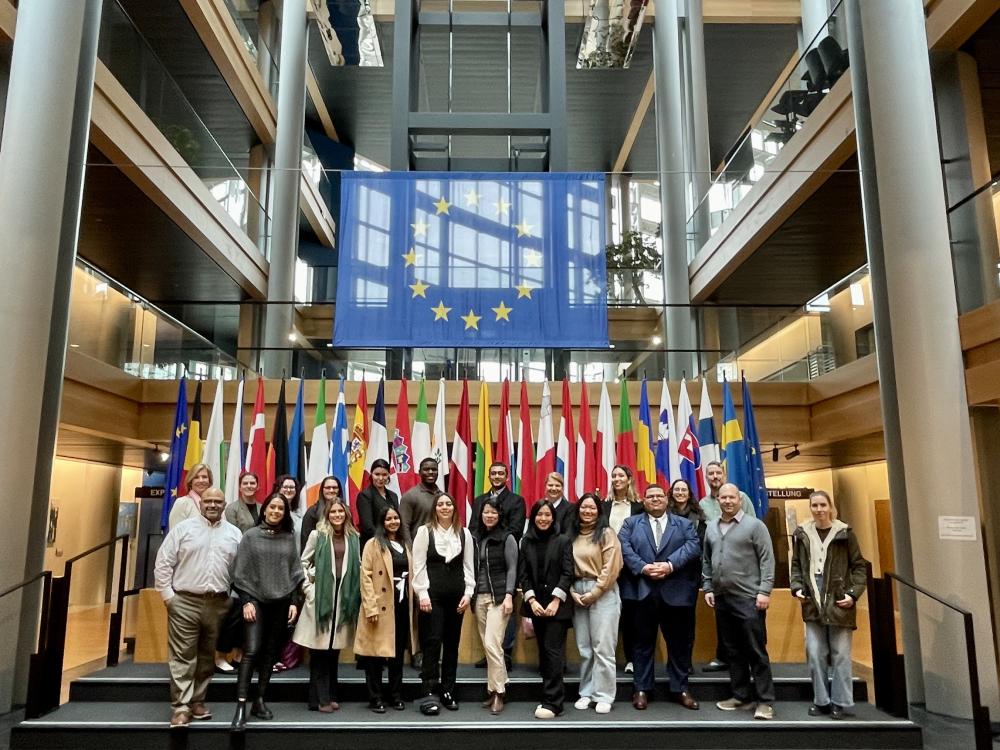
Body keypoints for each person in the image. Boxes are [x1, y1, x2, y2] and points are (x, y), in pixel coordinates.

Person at [154, 487, 241, 728]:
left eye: (217, 501)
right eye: (208, 501)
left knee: (205, 657)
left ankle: (198, 701)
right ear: (201, 503)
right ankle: (181, 707)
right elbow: (163, 563)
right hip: (184, 602)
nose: (212, 505)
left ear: (225, 505)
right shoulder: (183, 530)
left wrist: (232, 598)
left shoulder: (234, 534)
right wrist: (168, 597)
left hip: (219, 604)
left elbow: (239, 571)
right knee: (183, 657)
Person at [619, 484, 701, 711]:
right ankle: (642, 689)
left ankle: (681, 689)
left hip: (676, 592)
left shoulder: (684, 524)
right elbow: (624, 548)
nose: (655, 499)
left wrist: (669, 565)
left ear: (666, 500)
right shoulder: (630, 524)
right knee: (642, 644)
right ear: (643, 501)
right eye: (650, 496)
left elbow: (693, 546)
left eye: (659, 496)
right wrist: (644, 568)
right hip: (641, 591)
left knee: (678, 644)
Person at [790, 490, 867, 719]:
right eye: (815, 505)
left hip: (838, 597)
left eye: (823, 505)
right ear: (810, 508)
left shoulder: (845, 533)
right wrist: (796, 587)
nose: (819, 510)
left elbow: (859, 567)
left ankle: (840, 702)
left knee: (841, 653)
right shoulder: (802, 534)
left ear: (830, 507)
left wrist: (853, 594)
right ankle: (821, 700)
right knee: (815, 652)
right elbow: (796, 565)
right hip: (812, 598)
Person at [230, 493, 304, 731]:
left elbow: (294, 571)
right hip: (256, 601)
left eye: (280, 509)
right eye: (272, 507)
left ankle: (259, 701)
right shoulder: (250, 536)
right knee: (251, 651)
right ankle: (241, 707)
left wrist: (294, 601)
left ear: (285, 513)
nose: (275, 511)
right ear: (265, 510)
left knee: (271, 654)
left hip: (282, 602)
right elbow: (240, 574)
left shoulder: (288, 537)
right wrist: (247, 601)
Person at [702, 483, 776, 720]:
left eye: (732, 497)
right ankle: (741, 696)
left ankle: (765, 701)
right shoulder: (711, 527)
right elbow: (706, 559)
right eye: (723, 498)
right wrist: (708, 587)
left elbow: (767, 560)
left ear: (740, 499)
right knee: (732, 651)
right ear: (718, 501)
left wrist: (764, 591)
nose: (728, 501)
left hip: (749, 598)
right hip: (722, 597)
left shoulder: (755, 526)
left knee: (755, 650)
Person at [293, 498, 361, 712]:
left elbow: (357, 565)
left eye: (340, 511)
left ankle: (326, 696)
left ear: (346, 514)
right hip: (321, 597)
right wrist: (309, 591)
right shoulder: (317, 535)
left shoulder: (354, 537)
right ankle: (322, 699)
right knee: (319, 652)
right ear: (327, 515)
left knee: (333, 652)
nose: (337, 515)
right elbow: (302, 564)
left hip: (343, 596)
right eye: (333, 512)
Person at [412, 492, 475, 714]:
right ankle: (429, 692)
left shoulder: (465, 534)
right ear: (435, 509)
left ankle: (448, 690)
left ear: (455, 508)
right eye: (441, 504)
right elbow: (418, 565)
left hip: (457, 596)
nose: (445, 507)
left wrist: (468, 593)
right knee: (432, 642)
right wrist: (422, 593)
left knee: (452, 644)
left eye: (449, 503)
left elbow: (468, 567)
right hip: (433, 596)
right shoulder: (424, 532)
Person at [354, 506, 417, 713]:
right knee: (375, 655)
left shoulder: (405, 544)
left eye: (396, 518)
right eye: (389, 519)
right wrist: (370, 607)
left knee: (397, 654)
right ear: (382, 522)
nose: (393, 522)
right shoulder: (373, 544)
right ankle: (375, 697)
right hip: (379, 607)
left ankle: (396, 695)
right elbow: (366, 576)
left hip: (401, 604)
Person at [698, 460, 756, 673]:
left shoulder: (742, 498)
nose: (714, 476)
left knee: (747, 619)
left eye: (718, 473)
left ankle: (749, 659)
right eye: (710, 473)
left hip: (743, 566)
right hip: (717, 565)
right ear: (706, 477)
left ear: (724, 474)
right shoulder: (703, 504)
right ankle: (724, 657)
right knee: (723, 619)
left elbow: (753, 527)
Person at [519, 500, 574, 720]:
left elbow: (568, 573)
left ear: (553, 518)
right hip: (536, 605)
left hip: (556, 607)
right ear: (533, 517)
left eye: (547, 515)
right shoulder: (526, 541)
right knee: (544, 652)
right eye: (539, 514)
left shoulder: (563, 540)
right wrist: (531, 601)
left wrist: (555, 601)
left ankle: (554, 703)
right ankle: (547, 696)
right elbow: (523, 575)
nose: (543, 519)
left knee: (553, 653)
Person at [569, 493, 623, 715]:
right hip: (577, 591)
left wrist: (596, 592)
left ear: (599, 511)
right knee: (584, 647)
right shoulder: (571, 535)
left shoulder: (606, 534)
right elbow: (564, 564)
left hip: (603, 592)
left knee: (603, 647)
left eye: (592, 508)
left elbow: (612, 566)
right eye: (584, 507)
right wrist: (572, 591)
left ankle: (604, 695)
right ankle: (587, 692)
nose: (588, 511)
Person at [469, 461, 526, 669]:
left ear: (507, 476)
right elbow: (473, 528)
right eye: (493, 473)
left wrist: (497, 539)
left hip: (504, 558)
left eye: (501, 473)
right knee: (483, 611)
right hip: (482, 558)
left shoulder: (516, 501)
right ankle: (489, 654)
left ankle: (506, 653)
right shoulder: (479, 501)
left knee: (504, 608)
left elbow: (516, 529)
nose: (497, 476)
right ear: (489, 476)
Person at [472, 498, 518, 714]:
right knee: (490, 648)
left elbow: (512, 569)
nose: (489, 516)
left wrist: (509, 595)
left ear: (500, 515)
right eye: (486, 512)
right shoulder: (477, 538)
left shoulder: (507, 538)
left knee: (492, 645)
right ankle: (495, 688)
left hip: (499, 598)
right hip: (479, 598)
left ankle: (499, 692)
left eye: (493, 513)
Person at [602, 464, 642, 673]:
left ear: (629, 479)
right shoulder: (604, 505)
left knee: (631, 615)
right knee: (607, 613)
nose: (616, 479)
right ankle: (606, 660)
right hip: (607, 566)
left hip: (630, 567)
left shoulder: (638, 507)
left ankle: (631, 659)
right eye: (614, 475)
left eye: (621, 475)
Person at [356, 459, 399, 547]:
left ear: (388, 475)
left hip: (393, 542)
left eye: (384, 475)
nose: (380, 478)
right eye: (377, 474)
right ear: (371, 474)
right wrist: (386, 541)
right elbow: (368, 527)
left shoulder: (393, 495)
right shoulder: (365, 495)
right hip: (373, 543)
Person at [400, 458, 441, 544]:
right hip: (418, 547)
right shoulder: (410, 496)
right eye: (426, 469)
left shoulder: (442, 496)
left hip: (440, 548)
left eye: (434, 469)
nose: (430, 472)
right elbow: (404, 526)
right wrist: (410, 551)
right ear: (419, 472)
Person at [299, 475, 343, 550]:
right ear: (322, 490)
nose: (331, 490)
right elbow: (305, 541)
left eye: (335, 487)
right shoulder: (312, 512)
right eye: (328, 488)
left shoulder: (346, 510)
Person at [167, 462, 213, 529]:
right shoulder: (182, 503)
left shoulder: (215, 503)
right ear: (190, 482)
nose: (201, 480)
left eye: (204, 477)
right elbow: (175, 535)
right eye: (196, 477)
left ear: (209, 481)